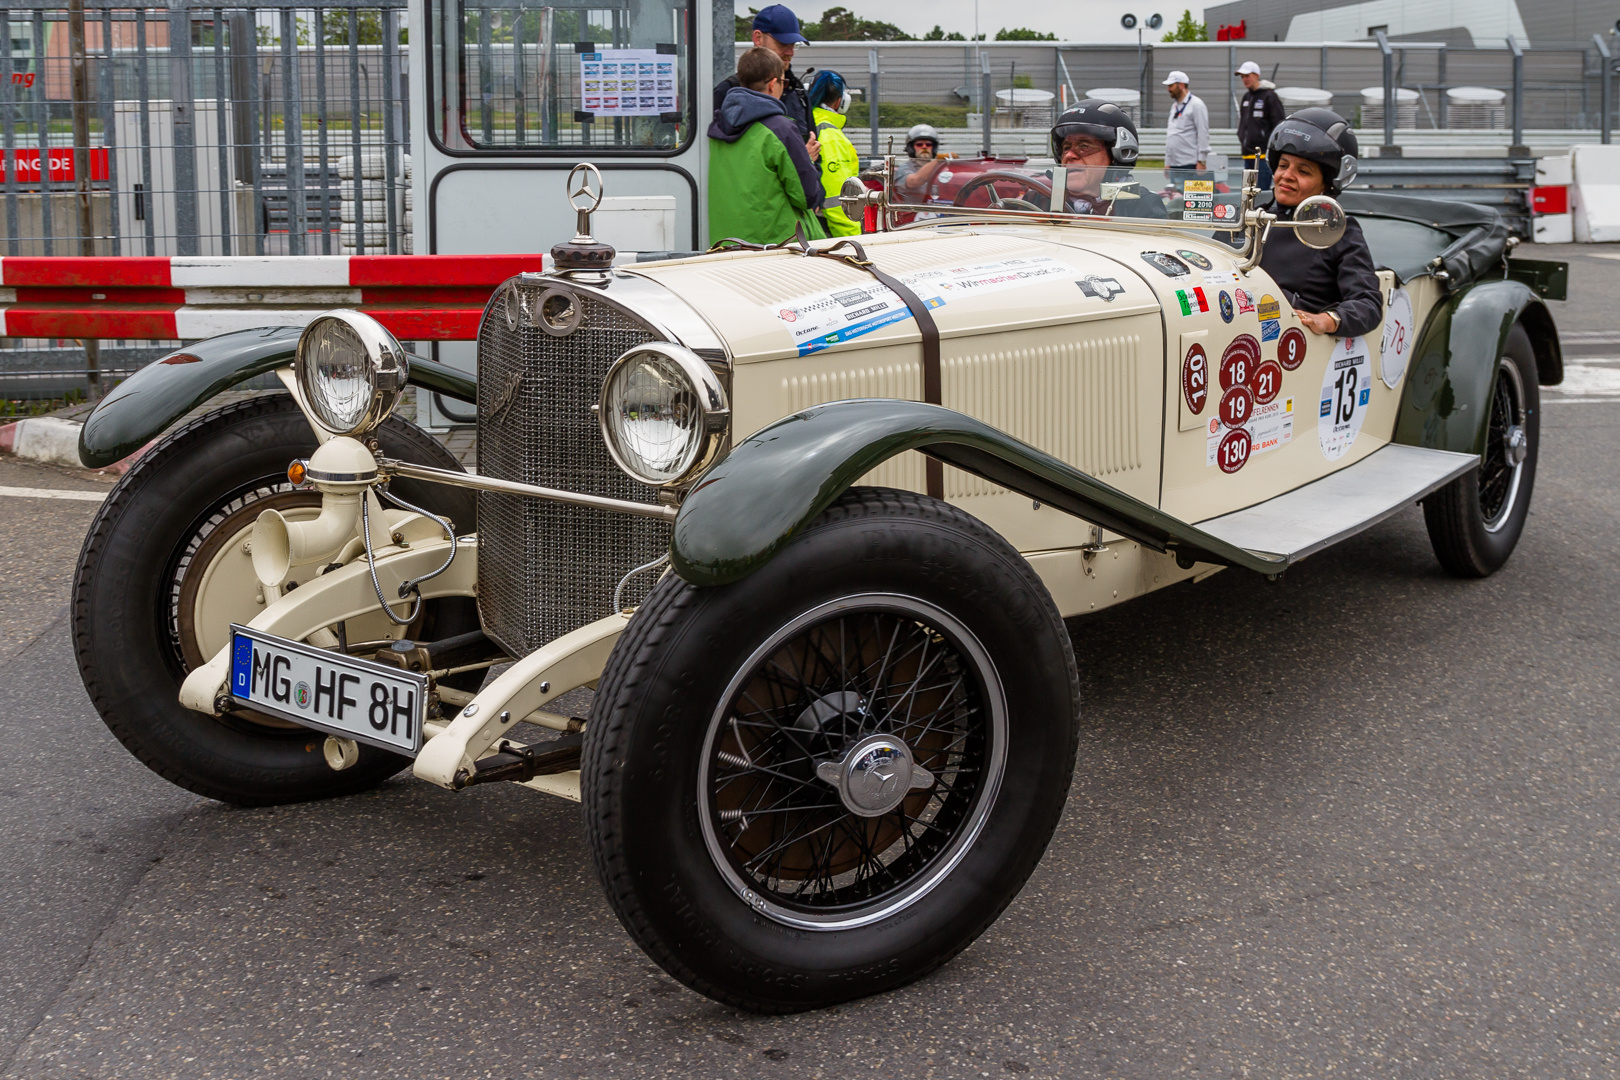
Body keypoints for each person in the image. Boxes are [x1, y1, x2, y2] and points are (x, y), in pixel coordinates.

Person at [1259, 107, 1381, 337]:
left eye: (1303, 171)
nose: (1286, 176)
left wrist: (1328, 320)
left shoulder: (1337, 230)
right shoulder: (1252, 218)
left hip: (1293, 347)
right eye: (1283, 165)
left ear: (1327, 183)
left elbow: (1368, 304)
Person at [707, 47, 827, 245]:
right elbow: (807, 196)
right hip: (775, 247)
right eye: (783, 82)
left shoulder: (718, 127)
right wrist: (807, 160)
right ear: (773, 84)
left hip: (726, 244)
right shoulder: (780, 129)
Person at [712, 4, 818, 164]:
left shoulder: (798, 93)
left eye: (794, 45)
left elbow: (815, 157)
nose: (790, 52)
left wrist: (808, 166)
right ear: (758, 38)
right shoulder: (726, 92)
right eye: (783, 43)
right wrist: (802, 161)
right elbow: (723, 160)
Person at [1047, 100, 1166, 218]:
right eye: (1066, 148)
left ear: (1117, 153)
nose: (1069, 155)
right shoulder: (1043, 198)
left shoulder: (1140, 206)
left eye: (1084, 146)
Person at [809, 70, 861, 236]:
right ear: (841, 101)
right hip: (824, 232)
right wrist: (854, 244)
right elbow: (838, 202)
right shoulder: (831, 137)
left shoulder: (804, 124)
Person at [1234, 61, 1285, 189]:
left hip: (1262, 156)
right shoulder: (1246, 97)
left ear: (1256, 75)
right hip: (1247, 154)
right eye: (1242, 77)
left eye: (1247, 76)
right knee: (1247, 193)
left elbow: (1279, 125)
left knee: (1261, 192)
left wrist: (1273, 149)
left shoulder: (1270, 96)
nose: (1244, 79)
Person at [1162, 70, 1209, 186]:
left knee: (1189, 201)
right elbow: (1171, 135)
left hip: (1190, 165)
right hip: (1174, 164)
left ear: (1181, 85)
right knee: (1176, 199)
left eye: (1171, 86)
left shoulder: (1196, 105)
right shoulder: (1175, 106)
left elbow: (1203, 133)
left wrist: (1201, 161)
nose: (1169, 89)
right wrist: (1167, 162)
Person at [892, 124, 950, 204]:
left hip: (938, 211)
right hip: (912, 212)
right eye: (919, 144)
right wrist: (937, 160)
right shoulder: (904, 168)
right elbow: (915, 180)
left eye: (928, 144)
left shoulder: (940, 167)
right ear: (911, 148)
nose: (924, 147)